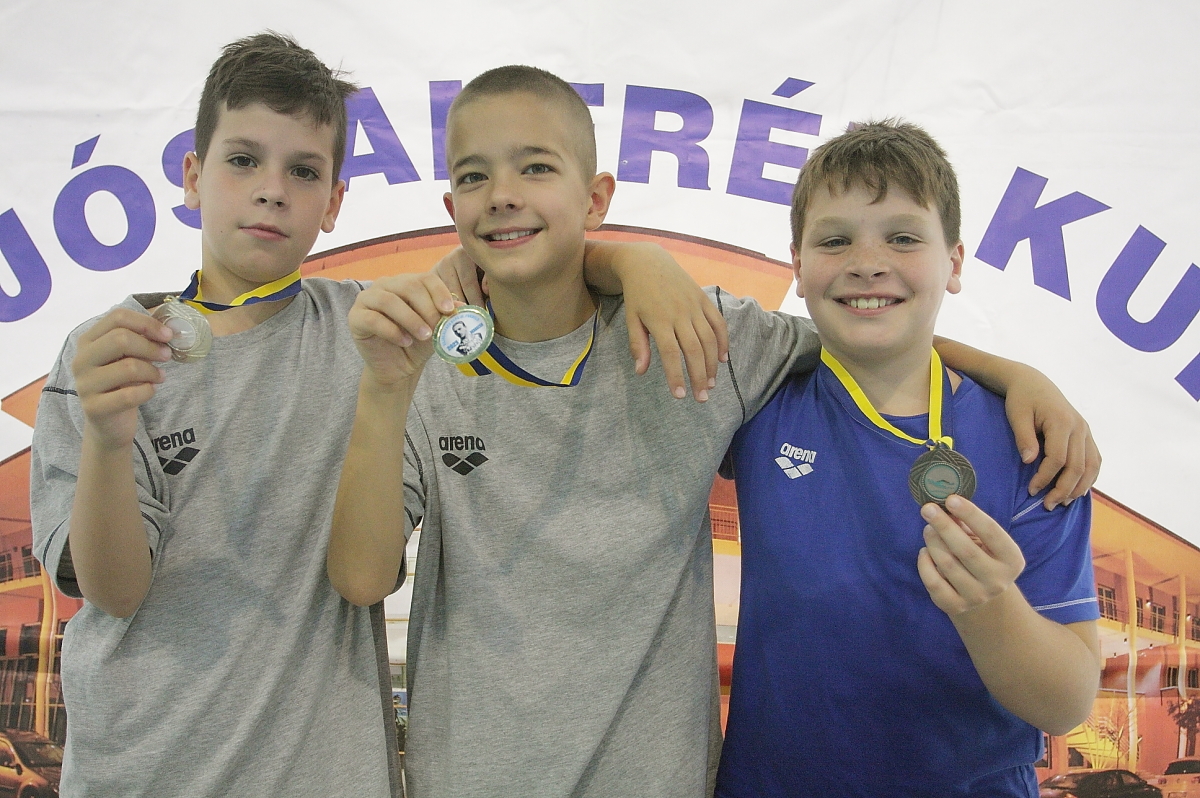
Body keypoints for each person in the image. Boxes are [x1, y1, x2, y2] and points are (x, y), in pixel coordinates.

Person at [326, 66, 1098, 798]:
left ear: (595, 197)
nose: (502, 195)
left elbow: (876, 342)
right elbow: (362, 579)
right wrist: (388, 386)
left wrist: (1018, 377)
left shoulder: (712, 342)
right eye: (474, 177)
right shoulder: (423, 364)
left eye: (535, 167)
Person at [28, 33, 398, 797]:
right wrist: (107, 438)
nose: (272, 190)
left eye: (303, 171)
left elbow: (508, 275)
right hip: (141, 773)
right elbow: (114, 592)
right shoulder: (105, 357)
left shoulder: (371, 332)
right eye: (243, 160)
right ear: (193, 178)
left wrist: (631, 260)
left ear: (333, 203)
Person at [715, 121, 1102, 797]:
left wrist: (989, 607)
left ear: (954, 263)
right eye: (835, 241)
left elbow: (1066, 704)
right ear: (797, 267)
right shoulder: (756, 400)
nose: (868, 262)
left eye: (902, 238)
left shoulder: (1032, 441)